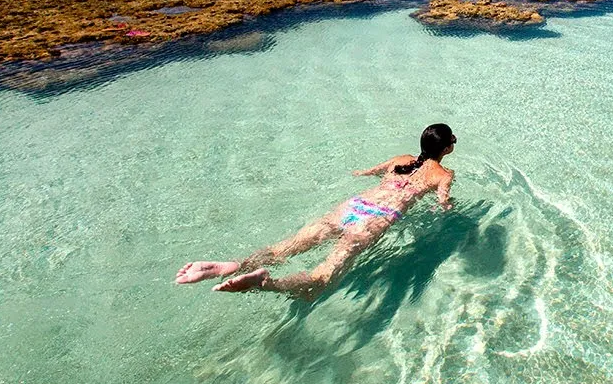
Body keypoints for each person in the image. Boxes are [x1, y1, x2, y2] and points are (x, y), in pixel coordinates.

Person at [174, 124, 456, 300]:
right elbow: (443, 204)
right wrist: (446, 210)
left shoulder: (400, 159)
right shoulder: (443, 174)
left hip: (352, 207)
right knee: (320, 281)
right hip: (374, 221)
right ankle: (266, 283)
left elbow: (365, 172)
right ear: (446, 148)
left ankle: (228, 266)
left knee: (282, 249)